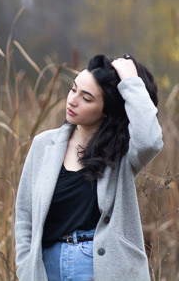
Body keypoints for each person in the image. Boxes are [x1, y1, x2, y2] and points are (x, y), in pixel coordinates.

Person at [14, 54, 163, 281]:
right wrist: (27, 270)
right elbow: (24, 218)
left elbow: (150, 140)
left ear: (106, 109)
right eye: (73, 90)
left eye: (86, 98)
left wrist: (130, 81)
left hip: (99, 267)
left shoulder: (122, 153)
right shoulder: (44, 145)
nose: (73, 100)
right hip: (47, 266)